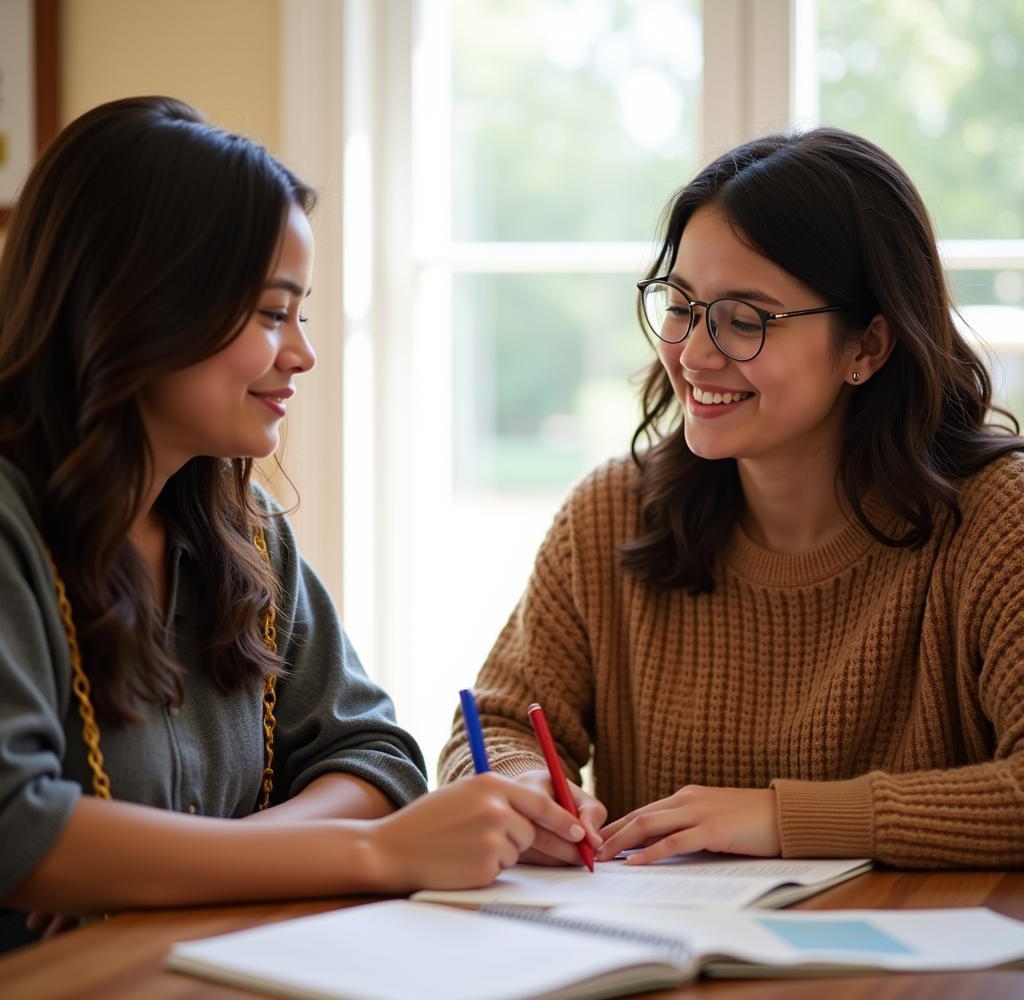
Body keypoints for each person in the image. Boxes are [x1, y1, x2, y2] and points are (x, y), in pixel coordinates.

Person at [0, 96, 585, 953]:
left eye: (300, 314)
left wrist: (155, 863)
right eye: (274, 313)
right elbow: (19, 833)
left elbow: (377, 755)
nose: (301, 353)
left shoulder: (243, 528)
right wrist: (368, 853)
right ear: (140, 304)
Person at [440, 127, 1024, 870]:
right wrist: (525, 790)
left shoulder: (996, 521)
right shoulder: (613, 512)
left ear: (867, 347)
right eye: (680, 304)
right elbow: (490, 727)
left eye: (745, 320)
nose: (693, 352)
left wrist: (786, 819)